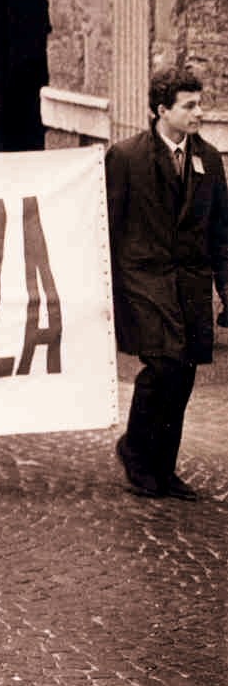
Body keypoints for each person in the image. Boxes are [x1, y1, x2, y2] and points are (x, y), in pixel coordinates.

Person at [106, 67, 227, 501]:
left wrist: (226, 292)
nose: (199, 113)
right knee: (164, 364)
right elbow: (109, 228)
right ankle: (136, 453)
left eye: (200, 104)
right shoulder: (126, 158)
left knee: (185, 374)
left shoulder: (209, 160)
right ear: (162, 110)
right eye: (189, 105)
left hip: (190, 284)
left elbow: (221, 234)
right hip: (145, 279)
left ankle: (164, 467)